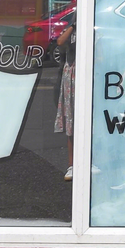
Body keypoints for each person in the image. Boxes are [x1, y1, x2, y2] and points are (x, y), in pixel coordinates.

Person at [53, 14, 76, 181]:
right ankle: (72, 164)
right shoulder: (73, 29)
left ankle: (88, 159)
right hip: (72, 73)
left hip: (85, 72)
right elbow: (60, 42)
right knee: (71, 121)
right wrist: (73, 26)